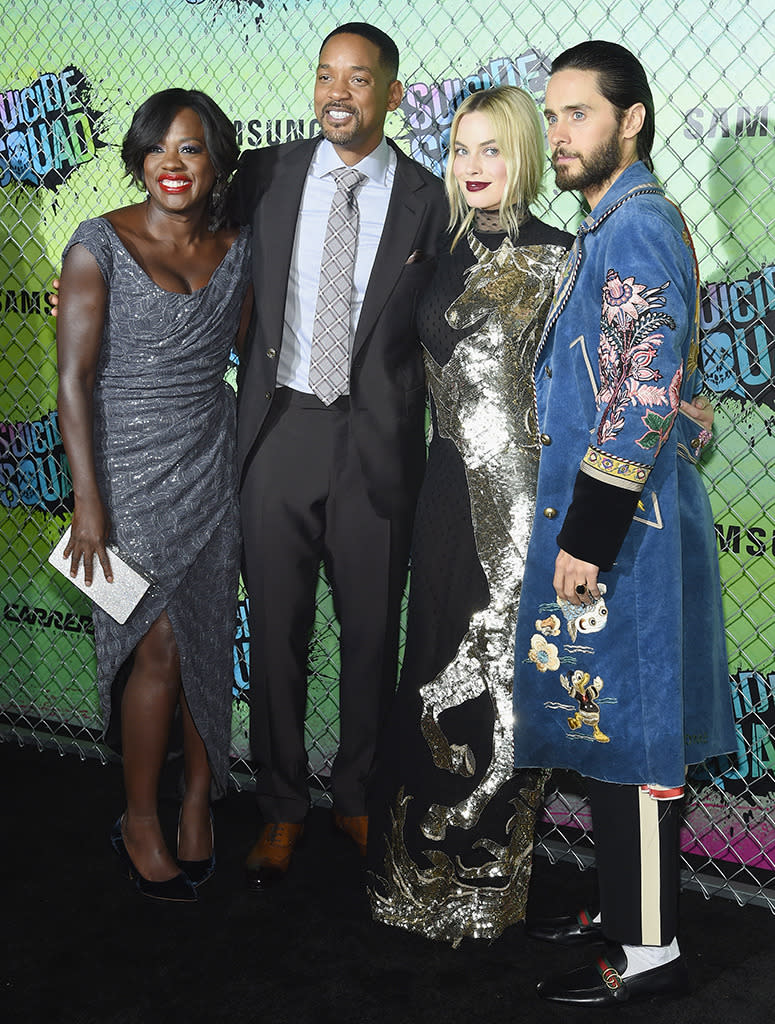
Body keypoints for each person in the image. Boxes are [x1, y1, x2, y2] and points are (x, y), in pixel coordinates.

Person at [511, 42, 737, 1003]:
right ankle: (618, 903)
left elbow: (642, 396)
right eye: (551, 116)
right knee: (603, 720)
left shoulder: (635, 226)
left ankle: (649, 948)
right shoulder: (610, 224)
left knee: (637, 732)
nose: (559, 134)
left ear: (631, 120)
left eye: (579, 115)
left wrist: (587, 538)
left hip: (626, 534)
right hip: (616, 520)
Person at [229, 23, 447, 889]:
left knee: (369, 636)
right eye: (325, 75)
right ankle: (281, 808)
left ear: (391, 96)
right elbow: (191, 236)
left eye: (358, 80)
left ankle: (357, 797)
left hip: (376, 442)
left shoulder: (431, 197)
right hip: (280, 429)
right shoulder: (266, 173)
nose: (337, 93)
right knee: (275, 635)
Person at [366, 85, 572, 943]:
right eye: (460, 148)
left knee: (503, 685)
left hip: (525, 504)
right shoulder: (434, 251)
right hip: (444, 494)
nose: (473, 166)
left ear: (523, 152)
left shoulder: (564, 256)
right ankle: (416, 878)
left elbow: (594, 388)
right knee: (433, 669)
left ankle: (487, 887)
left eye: (491, 148)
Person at [56, 89, 252, 902]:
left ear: (216, 164)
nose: (172, 165)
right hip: (126, 474)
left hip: (214, 460)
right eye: (158, 148)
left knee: (207, 637)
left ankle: (198, 802)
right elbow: (72, 379)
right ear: (138, 156)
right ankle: (141, 816)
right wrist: (87, 502)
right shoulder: (98, 243)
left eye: (192, 149)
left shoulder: (240, 248)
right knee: (159, 646)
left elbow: (250, 351)